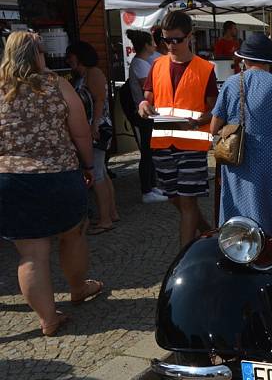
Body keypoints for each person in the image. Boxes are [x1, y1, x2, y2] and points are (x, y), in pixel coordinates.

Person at [0, 31, 104, 336]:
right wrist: (87, 165)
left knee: (32, 255)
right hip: (59, 175)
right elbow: (81, 133)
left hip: (12, 180)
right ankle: (78, 288)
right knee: (72, 236)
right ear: (37, 55)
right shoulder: (57, 84)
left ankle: (48, 319)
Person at [138, 10, 217, 248]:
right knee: (175, 198)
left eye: (176, 39)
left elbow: (215, 110)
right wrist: (143, 105)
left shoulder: (205, 69)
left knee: (187, 202)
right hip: (163, 143)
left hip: (192, 144)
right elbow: (147, 98)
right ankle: (205, 229)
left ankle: (182, 257)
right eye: (166, 39)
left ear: (189, 36)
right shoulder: (158, 65)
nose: (171, 45)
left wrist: (195, 123)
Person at [210, 34, 272, 235]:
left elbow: (213, 126)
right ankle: (268, 251)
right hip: (270, 161)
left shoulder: (230, 83)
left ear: (244, 58)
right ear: (270, 59)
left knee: (236, 208)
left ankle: (235, 246)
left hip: (235, 159)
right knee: (270, 211)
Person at [66, 41, 119, 235]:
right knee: (101, 172)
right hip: (95, 127)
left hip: (97, 128)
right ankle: (110, 214)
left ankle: (105, 219)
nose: (67, 59)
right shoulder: (82, 75)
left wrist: (94, 125)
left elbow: (99, 101)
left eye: (70, 55)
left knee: (97, 173)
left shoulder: (93, 73)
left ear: (79, 55)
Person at [125, 30, 168, 204]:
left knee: (151, 150)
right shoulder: (140, 63)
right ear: (146, 46)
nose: (155, 46)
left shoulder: (142, 62)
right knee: (147, 152)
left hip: (150, 112)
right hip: (144, 112)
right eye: (152, 43)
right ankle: (146, 190)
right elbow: (150, 87)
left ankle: (152, 186)